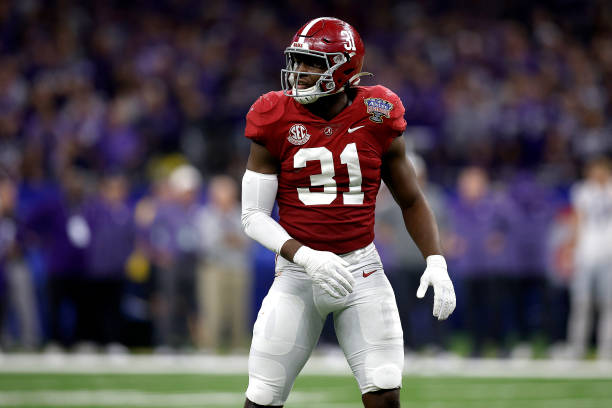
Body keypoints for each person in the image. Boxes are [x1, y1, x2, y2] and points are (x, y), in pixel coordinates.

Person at [240, 17, 456, 408]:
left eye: (312, 63)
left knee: (385, 392)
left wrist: (436, 261)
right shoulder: (273, 114)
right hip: (296, 275)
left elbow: (410, 199)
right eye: (299, 61)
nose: (300, 72)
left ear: (344, 68)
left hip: (362, 270)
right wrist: (306, 257)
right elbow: (253, 216)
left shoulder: (377, 112)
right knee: (263, 398)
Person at [566, 156, 612, 360]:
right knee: (581, 303)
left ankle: (607, 349)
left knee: (608, 304)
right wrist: (571, 249)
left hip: (609, 255)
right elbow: (577, 220)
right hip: (586, 254)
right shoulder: (583, 190)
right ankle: (577, 348)